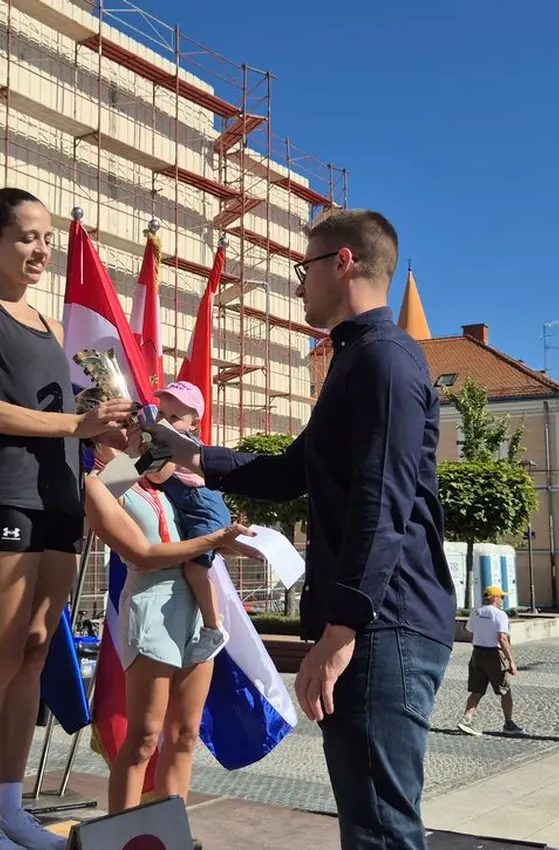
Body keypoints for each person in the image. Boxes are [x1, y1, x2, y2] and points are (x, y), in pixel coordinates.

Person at [141, 209, 456, 850]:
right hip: (376, 623)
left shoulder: (384, 361)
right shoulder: (354, 362)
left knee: (381, 829)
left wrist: (343, 627)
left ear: (342, 262)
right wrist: (180, 449)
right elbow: (290, 473)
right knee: (371, 822)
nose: (298, 284)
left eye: (303, 268)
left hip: (383, 624)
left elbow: (382, 502)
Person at [0, 187, 135, 850]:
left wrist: (117, 437)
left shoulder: (62, 333)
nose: (40, 249)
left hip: (61, 498)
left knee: (33, 652)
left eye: (47, 238)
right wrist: (76, 423)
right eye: (27, 236)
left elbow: (89, 424)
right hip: (11, 495)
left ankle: (12, 808)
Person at [80, 418, 253, 814]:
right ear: (99, 432)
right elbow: (142, 553)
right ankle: (121, 832)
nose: (136, 430)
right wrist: (213, 539)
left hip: (193, 605)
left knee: (185, 735)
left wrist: (229, 542)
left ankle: (171, 830)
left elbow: (192, 530)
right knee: (143, 737)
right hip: (152, 604)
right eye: (125, 424)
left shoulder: (155, 480)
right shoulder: (100, 484)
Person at [151, 381, 231, 662]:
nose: (166, 422)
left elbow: (159, 476)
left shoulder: (179, 444)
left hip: (203, 510)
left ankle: (213, 627)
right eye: (162, 415)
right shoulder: (171, 439)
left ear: (194, 423)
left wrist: (137, 459)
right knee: (193, 570)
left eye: (175, 418)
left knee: (195, 571)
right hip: (197, 508)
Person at [457, 586, 524, 737]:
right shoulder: (500, 615)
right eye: (502, 597)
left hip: (478, 653)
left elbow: (470, 632)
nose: (502, 600)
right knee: (505, 690)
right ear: (494, 597)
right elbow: (502, 638)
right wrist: (511, 661)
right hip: (493, 654)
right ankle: (508, 723)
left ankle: (466, 719)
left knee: (477, 689)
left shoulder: (476, 611)